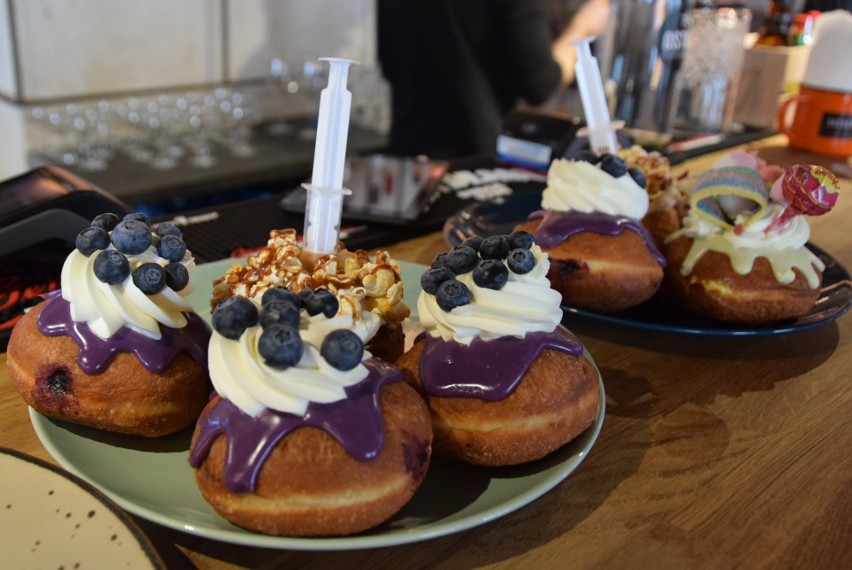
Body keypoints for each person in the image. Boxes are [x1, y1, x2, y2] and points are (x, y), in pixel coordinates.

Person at [377, 0, 609, 159]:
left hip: (405, 158)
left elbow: (388, 63)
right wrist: (583, 28)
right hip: (473, 162)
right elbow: (541, 83)